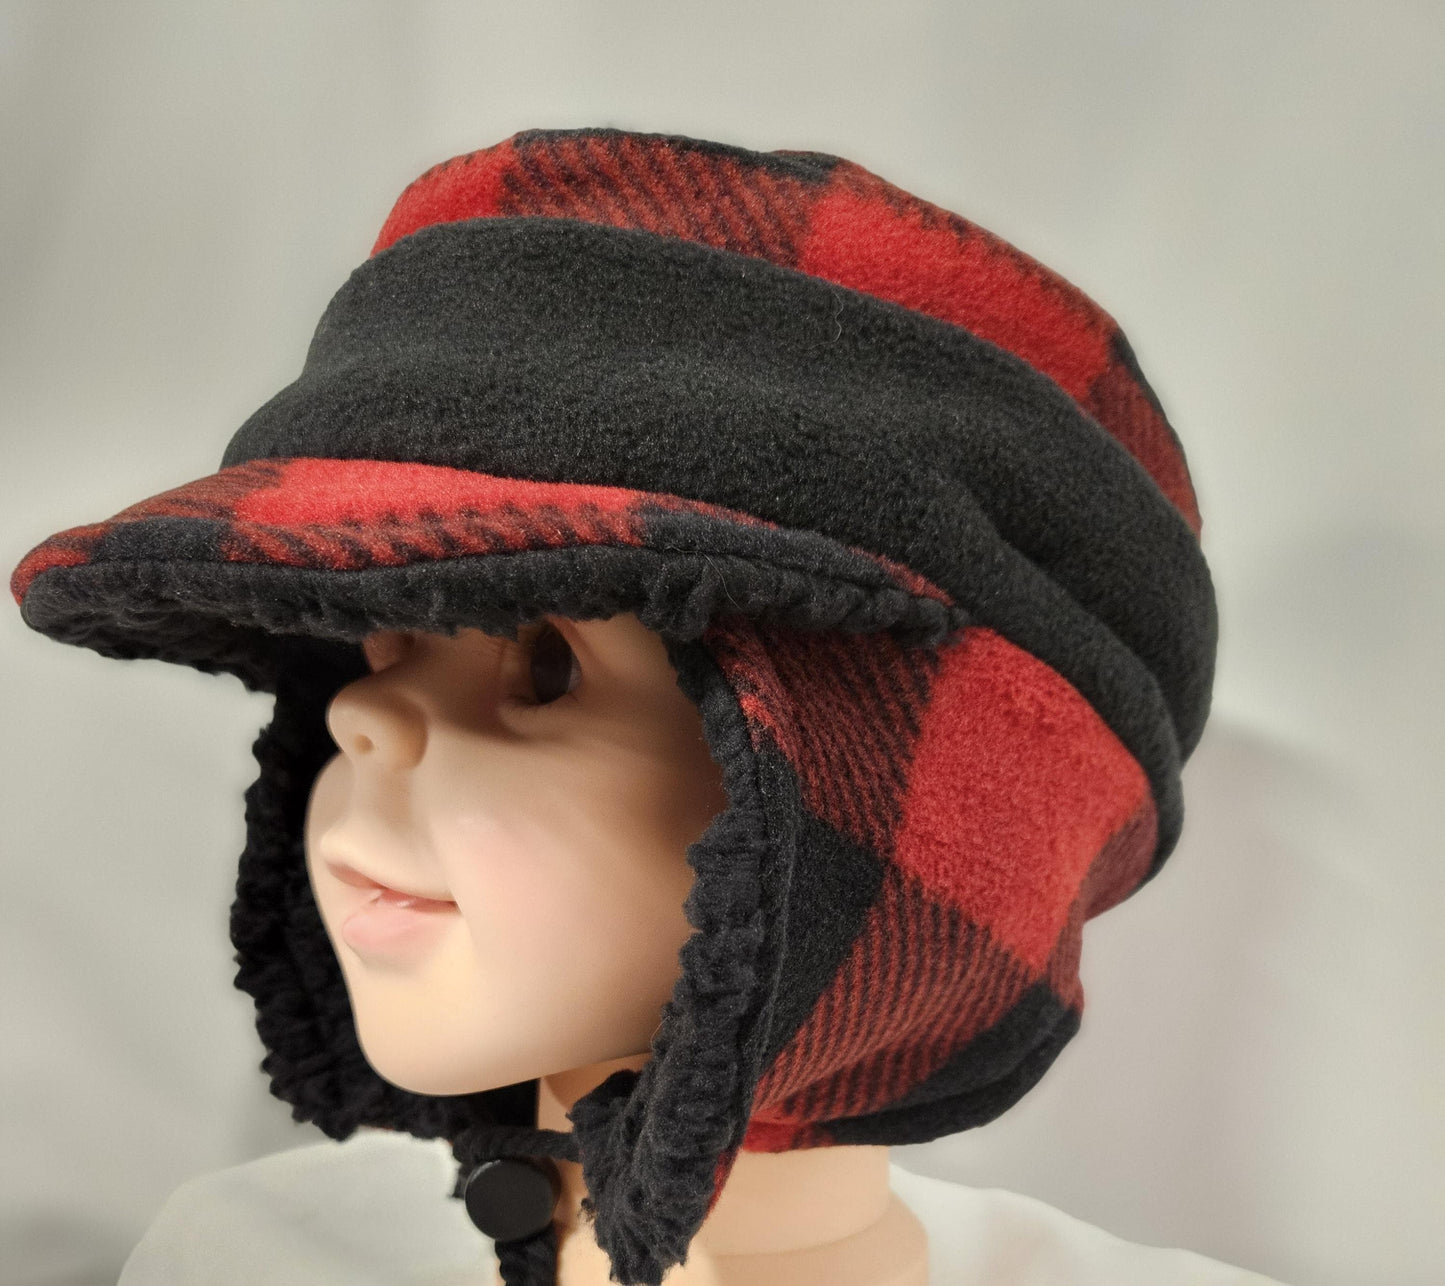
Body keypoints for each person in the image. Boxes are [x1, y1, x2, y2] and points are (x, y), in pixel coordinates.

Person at [10, 126, 1284, 1285]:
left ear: (918, 803)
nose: (366, 719)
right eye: (381, 646)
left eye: (546, 668)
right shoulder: (235, 1256)